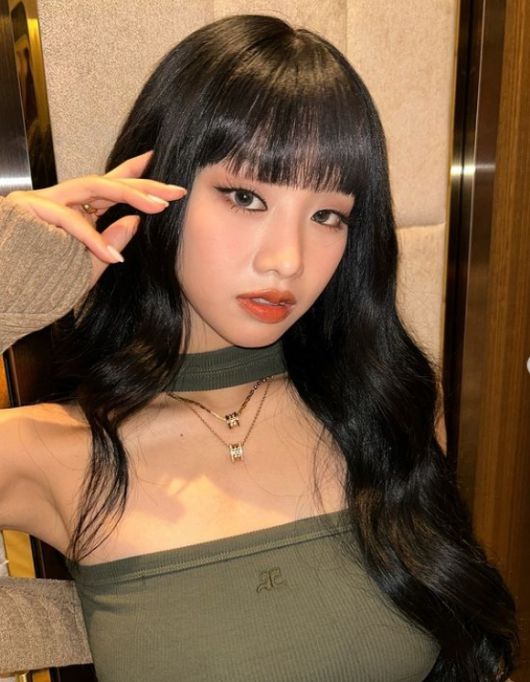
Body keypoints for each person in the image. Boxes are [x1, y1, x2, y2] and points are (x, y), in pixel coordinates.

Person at [0, 14, 519, 682]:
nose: (287, 259)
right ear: (159, 191)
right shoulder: (59, 451)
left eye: (327, 215)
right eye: (246, 196)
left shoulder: (386, 410)